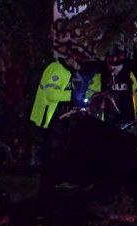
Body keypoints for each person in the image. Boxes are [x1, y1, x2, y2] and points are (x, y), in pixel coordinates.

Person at [30, 50, 102, 193]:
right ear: (71, 59)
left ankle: (57, 182)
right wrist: (74, 96)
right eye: (78, 63)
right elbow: (51, 95)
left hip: (60, 118)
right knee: (51, 153)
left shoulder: (68, 72)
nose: (80, 68)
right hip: (49, 118)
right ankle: (46, 187)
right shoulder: (56, 70)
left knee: (61, 151)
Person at [101, 48, 137, 127]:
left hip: (128, 120)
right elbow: (93, 100)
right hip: (108, 122)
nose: (115, 66)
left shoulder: (129, 75)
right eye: (112, 63)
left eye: (118, 63)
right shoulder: (102, 76)